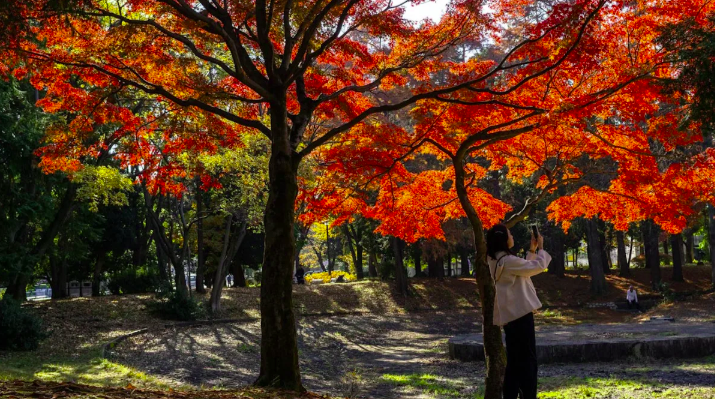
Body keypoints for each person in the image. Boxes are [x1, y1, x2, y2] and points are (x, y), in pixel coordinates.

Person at [486, 223, 552, 399]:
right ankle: (528, 395)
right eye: (509, 234)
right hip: (522, 316)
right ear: (503, 239)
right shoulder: (509, 261)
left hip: (510, 317)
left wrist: (531, 250)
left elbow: (523, 269)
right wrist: (541, 249)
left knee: (514, 363)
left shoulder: (494, 259)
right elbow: (537, 267)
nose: (512, 237)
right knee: (529, 361)